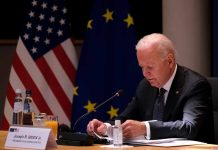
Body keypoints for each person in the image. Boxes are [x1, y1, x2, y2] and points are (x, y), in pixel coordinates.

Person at [86, 33, 214, 143]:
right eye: (142, 67)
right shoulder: (145, 86)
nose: (145, 74)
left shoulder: (194, 85)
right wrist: (106, 127)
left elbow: (189, 127)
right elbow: (125, 118)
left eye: (150, 67)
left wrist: (145, 128)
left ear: (169, 61)